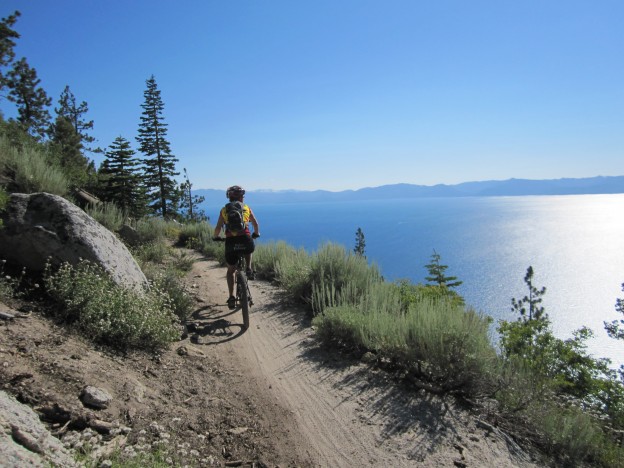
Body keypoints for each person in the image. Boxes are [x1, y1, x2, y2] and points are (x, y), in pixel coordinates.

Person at [212, 185, 260, 309]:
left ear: (229, 197)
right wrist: (256, 233)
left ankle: (231, 297)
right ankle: (249, 268)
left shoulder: (224, 210)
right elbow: (255, 223)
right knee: (248, 248)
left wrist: (216, 237)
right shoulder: (246, 208)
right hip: (245, 239)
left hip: (231, 243)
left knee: (230, 271)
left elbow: (218, 227)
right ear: (241, 197)